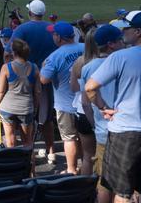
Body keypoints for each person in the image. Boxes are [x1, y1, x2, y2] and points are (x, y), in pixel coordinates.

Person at [85, 10, 141, 203]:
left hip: (124, 133)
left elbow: (90, 87)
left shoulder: (121, 57)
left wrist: (103, 107)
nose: (123, 32)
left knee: (122, 192)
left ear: (138, 32)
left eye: (127, 28)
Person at [10, 0, 57, 164]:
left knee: (25, 119)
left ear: (30, 13)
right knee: (46, 118)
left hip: (25, 80)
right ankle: (51, 151)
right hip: (46, 79)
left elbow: (10, 53)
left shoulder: (22, 29)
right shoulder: (52, 28)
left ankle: (26, 155)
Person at [81, 24, 124, 203]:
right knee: (124, 184)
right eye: (120, 40)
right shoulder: (125, 62)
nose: (124, 43)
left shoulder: (88, 67)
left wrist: (95, 123)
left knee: (104, 181)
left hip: (103, 131)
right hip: (125, 130)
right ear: (111, 44)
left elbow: (85, 102)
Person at [40, 21, 85, 175]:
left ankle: (71, 169)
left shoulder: (55, 56)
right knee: (85, 138)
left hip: (66, 105)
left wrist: (43, 65)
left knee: (69, 138)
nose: (53, 36)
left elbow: (43, 79)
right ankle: (87, 168)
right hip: (86, 103)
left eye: (54, 34)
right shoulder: (85, 48)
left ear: (59, 37)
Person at [0, 38, 41, 151]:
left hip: (7, 108)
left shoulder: (6, 68)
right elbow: (38, 92)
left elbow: (0, 91)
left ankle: (12, 166)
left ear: (14, 52)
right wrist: (35, 107)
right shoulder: (34, 68)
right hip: (26, 108)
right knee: (28, 142)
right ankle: (30, 168)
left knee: (10, 141)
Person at [69, 28, 98, 176]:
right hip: (103, 112)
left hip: (82, 112)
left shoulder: (80, 62)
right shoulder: (109, 60)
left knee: (87, 156)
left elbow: (74, 88)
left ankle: (87, 190)